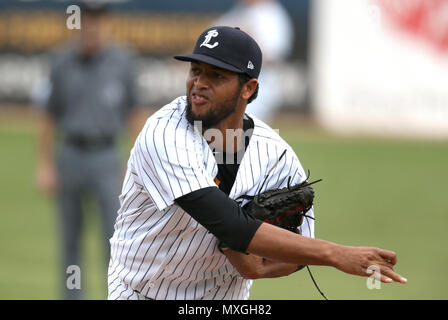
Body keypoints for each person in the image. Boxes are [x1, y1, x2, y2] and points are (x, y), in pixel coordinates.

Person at [107, 26, 406, 300]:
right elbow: (231, 225)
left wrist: (260, 268)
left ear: (248, 88)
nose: (199, 83)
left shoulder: (277, 157)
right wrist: (335, 254)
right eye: (195, 70)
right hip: (140, 292)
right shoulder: (163, 134)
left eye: (217, 76)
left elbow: (299, 247)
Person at [35, 1, 140, 299]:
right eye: (87, 18)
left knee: (116, 238)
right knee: (71, 238)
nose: (92, 24)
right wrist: (44, 165)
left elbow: (135, 115)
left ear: (106, 21)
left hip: (107, 156)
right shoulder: (60, 60)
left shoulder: (122, 61)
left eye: (98, 18)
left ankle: (118, 295)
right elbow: (48, 115)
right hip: (70, 154)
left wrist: (132, 163)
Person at [215, 0, 295, 124]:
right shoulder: (241, 11)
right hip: (235, 83)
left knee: (236, 129)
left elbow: (272, 56)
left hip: (260, 86)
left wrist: (245, 43)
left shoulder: (271, 14)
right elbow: (216, 36)